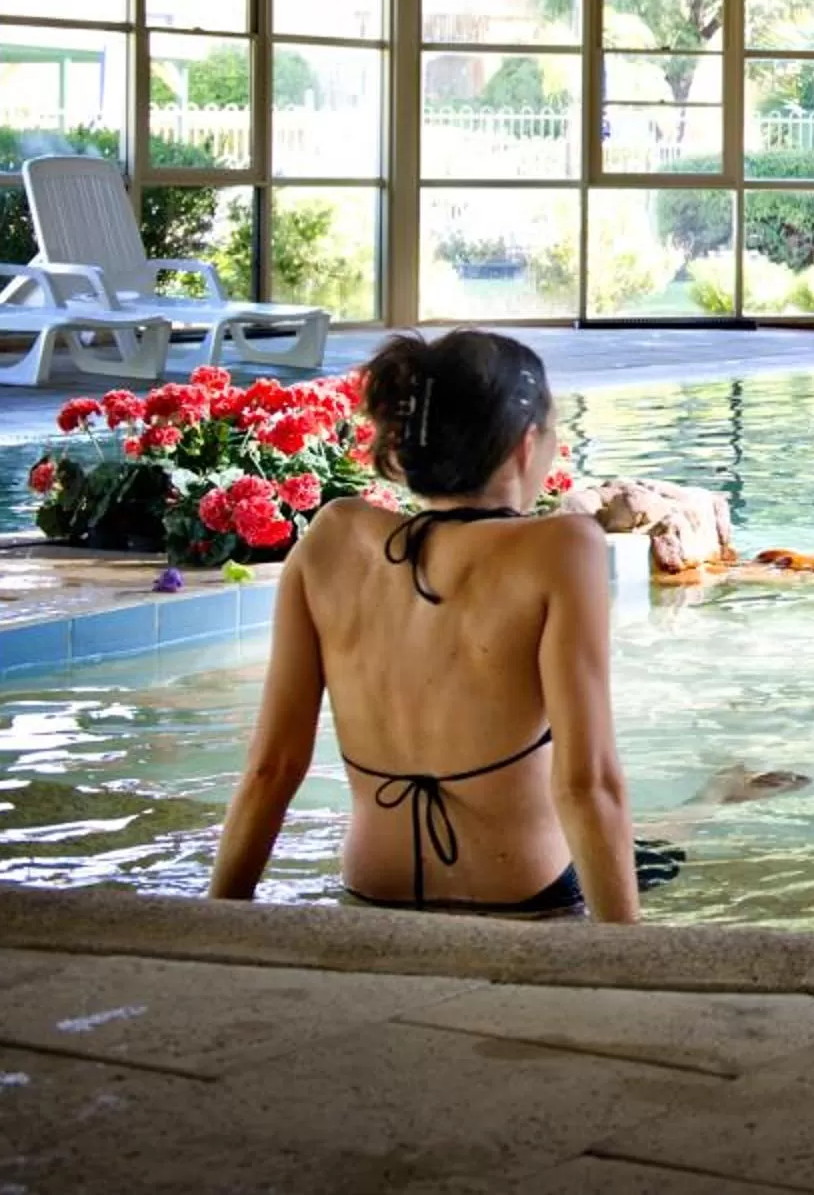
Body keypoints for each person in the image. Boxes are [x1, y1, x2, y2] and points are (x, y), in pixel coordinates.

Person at [209, 331, 638, 922]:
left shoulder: (333, 536)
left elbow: (271, 767)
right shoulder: (563, 547)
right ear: (524, 444)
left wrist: (215, 920)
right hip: (523, 898)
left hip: (370, 889)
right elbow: (588, 784)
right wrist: (629, 965)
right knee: (658, 858)